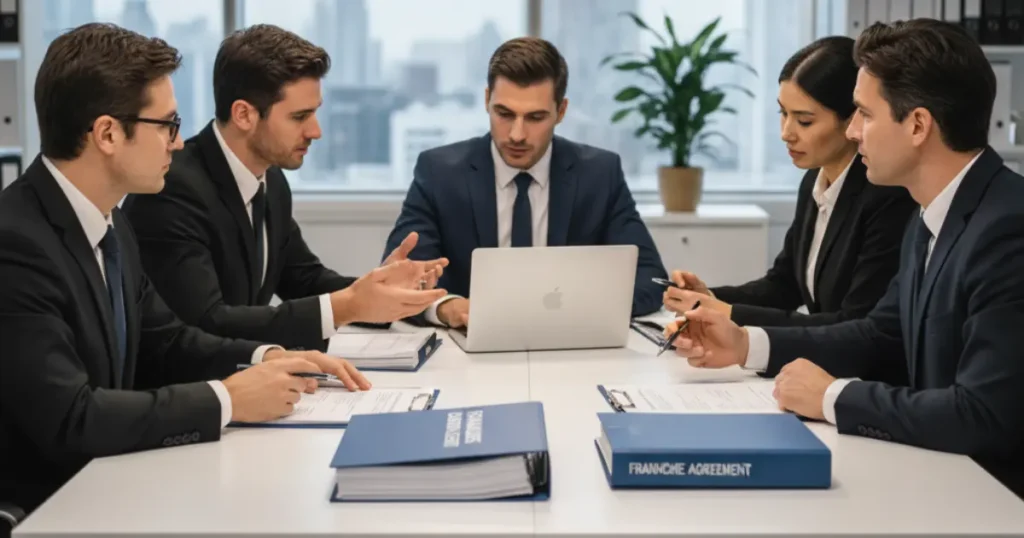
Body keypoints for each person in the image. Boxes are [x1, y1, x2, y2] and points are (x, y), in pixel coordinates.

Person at [0, 23, 373, 522]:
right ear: (109, 133)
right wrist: (227, 399)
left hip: (114, 480)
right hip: (52, 507)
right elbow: (72, 416)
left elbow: (168, 341)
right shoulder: (17, 242)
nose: (177, 145)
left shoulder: (109, 223)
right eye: (167, 125)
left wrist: (272, 357)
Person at [664, 19, 1024, 498]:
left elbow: (983, 414)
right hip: (942, 478)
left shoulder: (1007, 228)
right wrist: (745, 344)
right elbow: (881, 333)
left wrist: (833, 396)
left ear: (917, 125)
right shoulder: (930, 210)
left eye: (863, 114)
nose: (853, 132)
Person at [122, 24, 447, 352]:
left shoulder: (271, 180)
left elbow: (305, 281)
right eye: (300, 116)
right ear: (244, 115)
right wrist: (347, 305)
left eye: (315, 113)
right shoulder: (172, 189)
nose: (316, 131)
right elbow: (206, 321)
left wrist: (380, 290)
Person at [381, 37, 668, 329]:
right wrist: (446, 308)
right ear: (486, 101)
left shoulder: (599, 174)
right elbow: (399, 278)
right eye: (504, 114)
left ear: (561, 111)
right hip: (464, 352)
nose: (517, 134)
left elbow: (651, 278)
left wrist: (575, 311)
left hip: (571, 348)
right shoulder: (439, 173)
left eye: (535, 117)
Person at [663, 36, 916, 327]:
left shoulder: (887, 196)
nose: (786, 132)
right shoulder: (814, 181)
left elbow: (854, 324)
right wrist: (708, 298)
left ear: (853, 120)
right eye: (783, 113)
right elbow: (784, 286)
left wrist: (726, 313)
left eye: (804, 121)